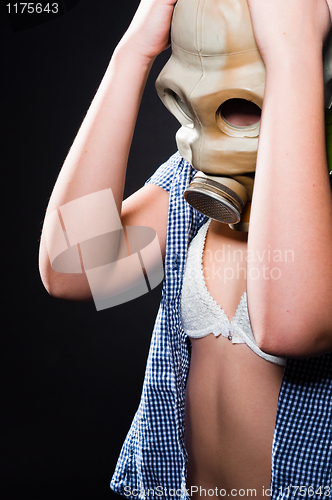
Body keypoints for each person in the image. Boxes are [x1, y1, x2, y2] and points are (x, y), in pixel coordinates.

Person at [39, 0, 332, 498]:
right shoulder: (194, 183)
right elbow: (75, 270)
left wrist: (295, 53)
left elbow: (291, 325)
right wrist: (133, 52)